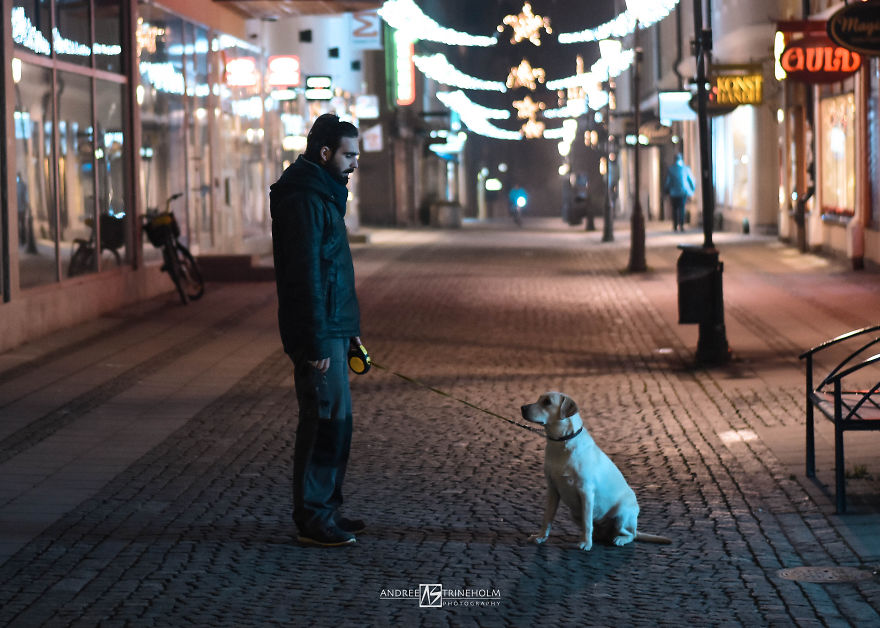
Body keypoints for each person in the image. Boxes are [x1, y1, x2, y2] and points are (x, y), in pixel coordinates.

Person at [270, 113, 364, 547]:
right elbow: (305, 274)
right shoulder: (305, 198)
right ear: (325, 153)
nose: (354, 164)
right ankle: (312, 516)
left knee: (338, 423)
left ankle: (327, 508)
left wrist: (349, 331)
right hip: (317, 329)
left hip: (332, 325)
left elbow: (332, 270)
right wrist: (312, 339)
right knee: (323, 420)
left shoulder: (324, 193)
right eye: (348, 155)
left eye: (356, 154)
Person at [663, 153, 696, 232]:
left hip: (673, 193)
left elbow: (668, 182)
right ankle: (681, 225)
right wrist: (692, 190)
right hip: (683, 192)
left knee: (674, 209)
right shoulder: (686, 169)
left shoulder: (671, 169)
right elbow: (692, 181)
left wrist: (666, 189)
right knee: (681, 208)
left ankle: (675, 225)